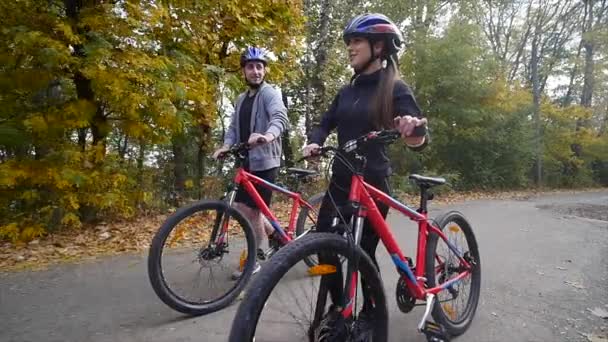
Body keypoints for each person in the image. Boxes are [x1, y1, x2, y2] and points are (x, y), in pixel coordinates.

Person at [302, 13, 429, 337]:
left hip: (372, 181)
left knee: (363, 252)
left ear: (378, 46)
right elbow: (325, 121)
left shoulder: (395, 88)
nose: (350, 48)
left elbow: (417, 133)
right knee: (325, 247)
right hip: (341, 180)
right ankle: (336, 308)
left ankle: (371, 312)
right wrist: (315, 140)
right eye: (348, 42)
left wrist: (412, 132)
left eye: (356, 41)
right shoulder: (347, 91)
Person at [212, 46, 289, 278]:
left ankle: (255, 258)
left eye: (259, 67)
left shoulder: (269, 93)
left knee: (251, 212)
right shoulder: (241, 99)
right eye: (250, 67)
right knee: (242, 208)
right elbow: (234, 129)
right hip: (246, 162)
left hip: (266, 161)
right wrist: (226, 146)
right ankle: (277, 237)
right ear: (243, 71)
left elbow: (279, 117)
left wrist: (267, 136)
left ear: (264, 71)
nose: (255, 71)